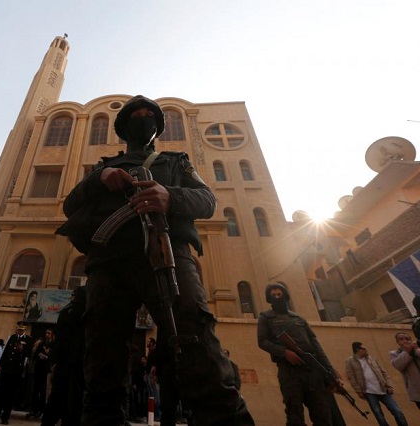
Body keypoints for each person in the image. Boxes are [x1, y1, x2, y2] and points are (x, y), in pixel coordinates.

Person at [56, 95, 254, 426]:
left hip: (167, 254)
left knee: (196, 341)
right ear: (124, 128)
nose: (143, 118)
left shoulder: (177, 162)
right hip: (110, 262)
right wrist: (98, 179)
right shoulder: (105, 167)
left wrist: (169, 196)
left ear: (157, 128)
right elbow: (70, 206)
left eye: (150, 115)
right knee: (103, 358)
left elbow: (208, 201)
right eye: (137, 115)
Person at [257, 282, 336, 426]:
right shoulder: (265, 317)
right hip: (289, 372)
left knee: (322, 415)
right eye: (273, 295)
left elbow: (316, 346)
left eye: (279, 294)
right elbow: (262, 341)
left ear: (285, 296)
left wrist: (330, 373)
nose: (276, 297)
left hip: (312, 371)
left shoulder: (299, 318)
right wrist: (284, 353)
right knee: (295, 416)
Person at [41, 285, 86, 426]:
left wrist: (54, 358)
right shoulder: (83, 311)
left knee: (58, 398)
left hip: (64, 362)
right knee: (72, 400)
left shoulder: (67, 310)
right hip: (76, 362)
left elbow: (60, 338)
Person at [345, 341, 407, 426]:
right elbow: (351, 377)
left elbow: (383, 372)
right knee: (378, 414)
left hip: (383, 389)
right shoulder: (350, 361)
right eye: (364, 348)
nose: (366, 350)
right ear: (357, 350)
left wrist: (389, 385)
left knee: (397, 411)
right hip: (368, 392)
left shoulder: (371, 358)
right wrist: (358, 391)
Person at [0, 321, 34, 425]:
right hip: (7, 369)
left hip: (17, 370)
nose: (19, 330)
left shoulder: (29, 340)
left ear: (24, 329)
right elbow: (6, 351)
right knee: (0, 393)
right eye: (18, 329)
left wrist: (22, 350)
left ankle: (5, 417)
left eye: (22, 329)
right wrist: (0, 364)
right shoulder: (11, 337)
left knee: (11, 394)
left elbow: (29, 354)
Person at [389, 332, 420, 409]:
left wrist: (416, 350)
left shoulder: (417, 348)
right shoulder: (394, 354)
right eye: (401, 339)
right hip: (416, 390)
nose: (405, 341)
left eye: (407, 339)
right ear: (397, 342)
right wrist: (407, 352)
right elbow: (398, 365)